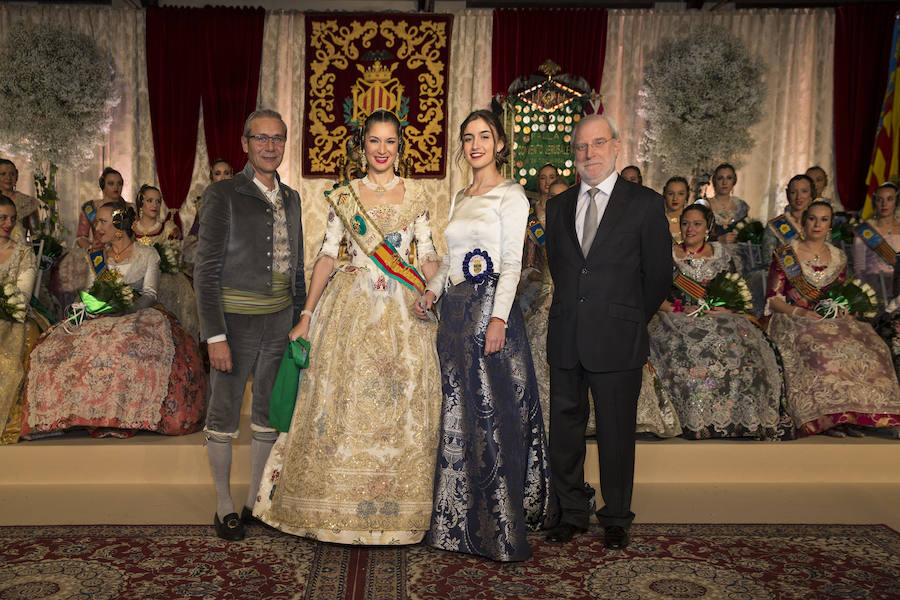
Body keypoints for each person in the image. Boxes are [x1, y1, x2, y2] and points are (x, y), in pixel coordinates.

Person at [254, 110, 441, 545]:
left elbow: (428, 254)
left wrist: (433, 290)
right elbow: (325, 255)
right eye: (374, 141)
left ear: (400, 146)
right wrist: (306, 315)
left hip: (403, 313)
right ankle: (331, 506)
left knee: (401, 404)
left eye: (390, 141)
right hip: (349, 308)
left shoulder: (416, 195)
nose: (381, 150)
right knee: (341, 402)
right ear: (362, 144)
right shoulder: (344, 196)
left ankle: (399, 513)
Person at [415, 109, 556, 562]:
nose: (475, 144)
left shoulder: (512, 196)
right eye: (468, 137)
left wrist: (498, 320)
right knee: (459, 416)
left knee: (493, 415)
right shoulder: (459, 195)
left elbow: (512, 263)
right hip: (455, 316)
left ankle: (498, 527)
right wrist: (430, 292)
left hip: (490, 317)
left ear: (499, 144)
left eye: (484, 136)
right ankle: (456, 523)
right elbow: (453, 264)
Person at [542, 113, 671, 550]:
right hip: (566, 335)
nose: (589, 153)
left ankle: (616, 516)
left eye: (598, 144)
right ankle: (571, 512)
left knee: (616, 433)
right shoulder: (558, 205)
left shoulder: (645, 203)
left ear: (616, 147)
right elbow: (561, 269)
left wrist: (627, 316)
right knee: (565, 432)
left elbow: (657, 277)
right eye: (581, 146)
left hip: (618, 337)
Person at [194, 109, 306, 542]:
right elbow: (205, 271)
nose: (270, 146)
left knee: (267, 415)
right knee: (223, 415)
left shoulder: (293, 198)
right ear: (245, 143)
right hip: (234, 324)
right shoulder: (222, 194)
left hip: (279, 322)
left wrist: (299, 319)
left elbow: (295, 268)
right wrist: (215, 336)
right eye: (261, 138)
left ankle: (255, 501)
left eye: (277, 138)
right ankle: (224, 506)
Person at [22, 200, 206, 439]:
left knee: (124, 346)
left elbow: (150, 294)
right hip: (101, 314)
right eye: (97, 220)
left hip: (138, 313)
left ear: (119, 226)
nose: (96, 226)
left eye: (102, 221)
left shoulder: (147, 254)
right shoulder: (97, 256)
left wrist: (126, 307)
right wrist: (88, 309)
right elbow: (91, 290)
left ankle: (126, 414)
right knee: (58, 346)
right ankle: (61, 416)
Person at [765, 201, 900, 437]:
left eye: (824, 219)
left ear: (830, 225)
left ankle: (854, 415)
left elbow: (841, 294)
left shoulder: (837, 256)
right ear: (804, 222)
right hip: (794, 319)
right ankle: (827, 418)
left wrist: (845, 308)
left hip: (831, 321)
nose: (817, 224)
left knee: (869, 345)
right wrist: (801, 312)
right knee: (821, 348)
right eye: (812, 218)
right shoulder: (786, 254)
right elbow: (773, 300)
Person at [652, 203, 786, 439]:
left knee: (743, 346)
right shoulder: (667, 254)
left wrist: (723, 308)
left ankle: (740, 418)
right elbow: (654, 295)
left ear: (708, 227)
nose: (689, 229)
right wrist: (678, 310)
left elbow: (735, 291)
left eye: (696, 224)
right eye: (685, 223)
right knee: (686, 349)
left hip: (719, 317)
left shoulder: (722, 255)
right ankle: (697, 418)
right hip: (676, 317)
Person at [132, 184, 199, 338]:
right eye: (150, 200)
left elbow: (173, 260)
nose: (155, 205)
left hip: (163, 280)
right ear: (141, 202)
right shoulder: (129, 230)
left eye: (158, 201)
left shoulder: (168, 228)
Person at [0, 196, 37, 444]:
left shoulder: (23, 253)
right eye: (2, 217)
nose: (8, 223)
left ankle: (8, 423)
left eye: (12, 218)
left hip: (14, 316)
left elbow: (22, 296)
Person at [852, 182, 900, 300]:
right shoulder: (865, 230)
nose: (884, 204)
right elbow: (859, 269)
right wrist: (867, 295)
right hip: (873, 290)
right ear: (874, 202)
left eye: (889, 199)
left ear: (896, 202)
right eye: (880, 199)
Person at [184, 160, 234, 269]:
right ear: (212, 178)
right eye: (218, 173)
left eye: (226, 173)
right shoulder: (203, 204)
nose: (222, 177)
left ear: (231, 175)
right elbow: (195, 231)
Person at [762, 174, 814, 266]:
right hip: (784, 277)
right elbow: (768, 261)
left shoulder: (819, 224)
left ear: (811, 193)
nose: (799, 197)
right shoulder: (774, 226)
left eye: (804, 191)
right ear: (787, 193)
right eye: (793, 192)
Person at [697, 163, 747, 244]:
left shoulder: (741, 206)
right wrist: (718, 239)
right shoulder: (704, 206)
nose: (724, 182)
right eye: (720, 178)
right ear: (714, 180)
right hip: (710, 252)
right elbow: (695, 235)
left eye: (729, 178)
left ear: (734, 181)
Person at [0, 159, 40, 242]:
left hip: (18, 252)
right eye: (3, 174)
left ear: (17, 176)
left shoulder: (28, 202)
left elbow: (36, 236)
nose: (8, 177)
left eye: (12, 174)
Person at [663, 176, 689, 244]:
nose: (675, 198)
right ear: (665, 195)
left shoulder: (693, 220)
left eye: (680, 194)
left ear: (687, 196)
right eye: (671, 194)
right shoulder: (656, 220)